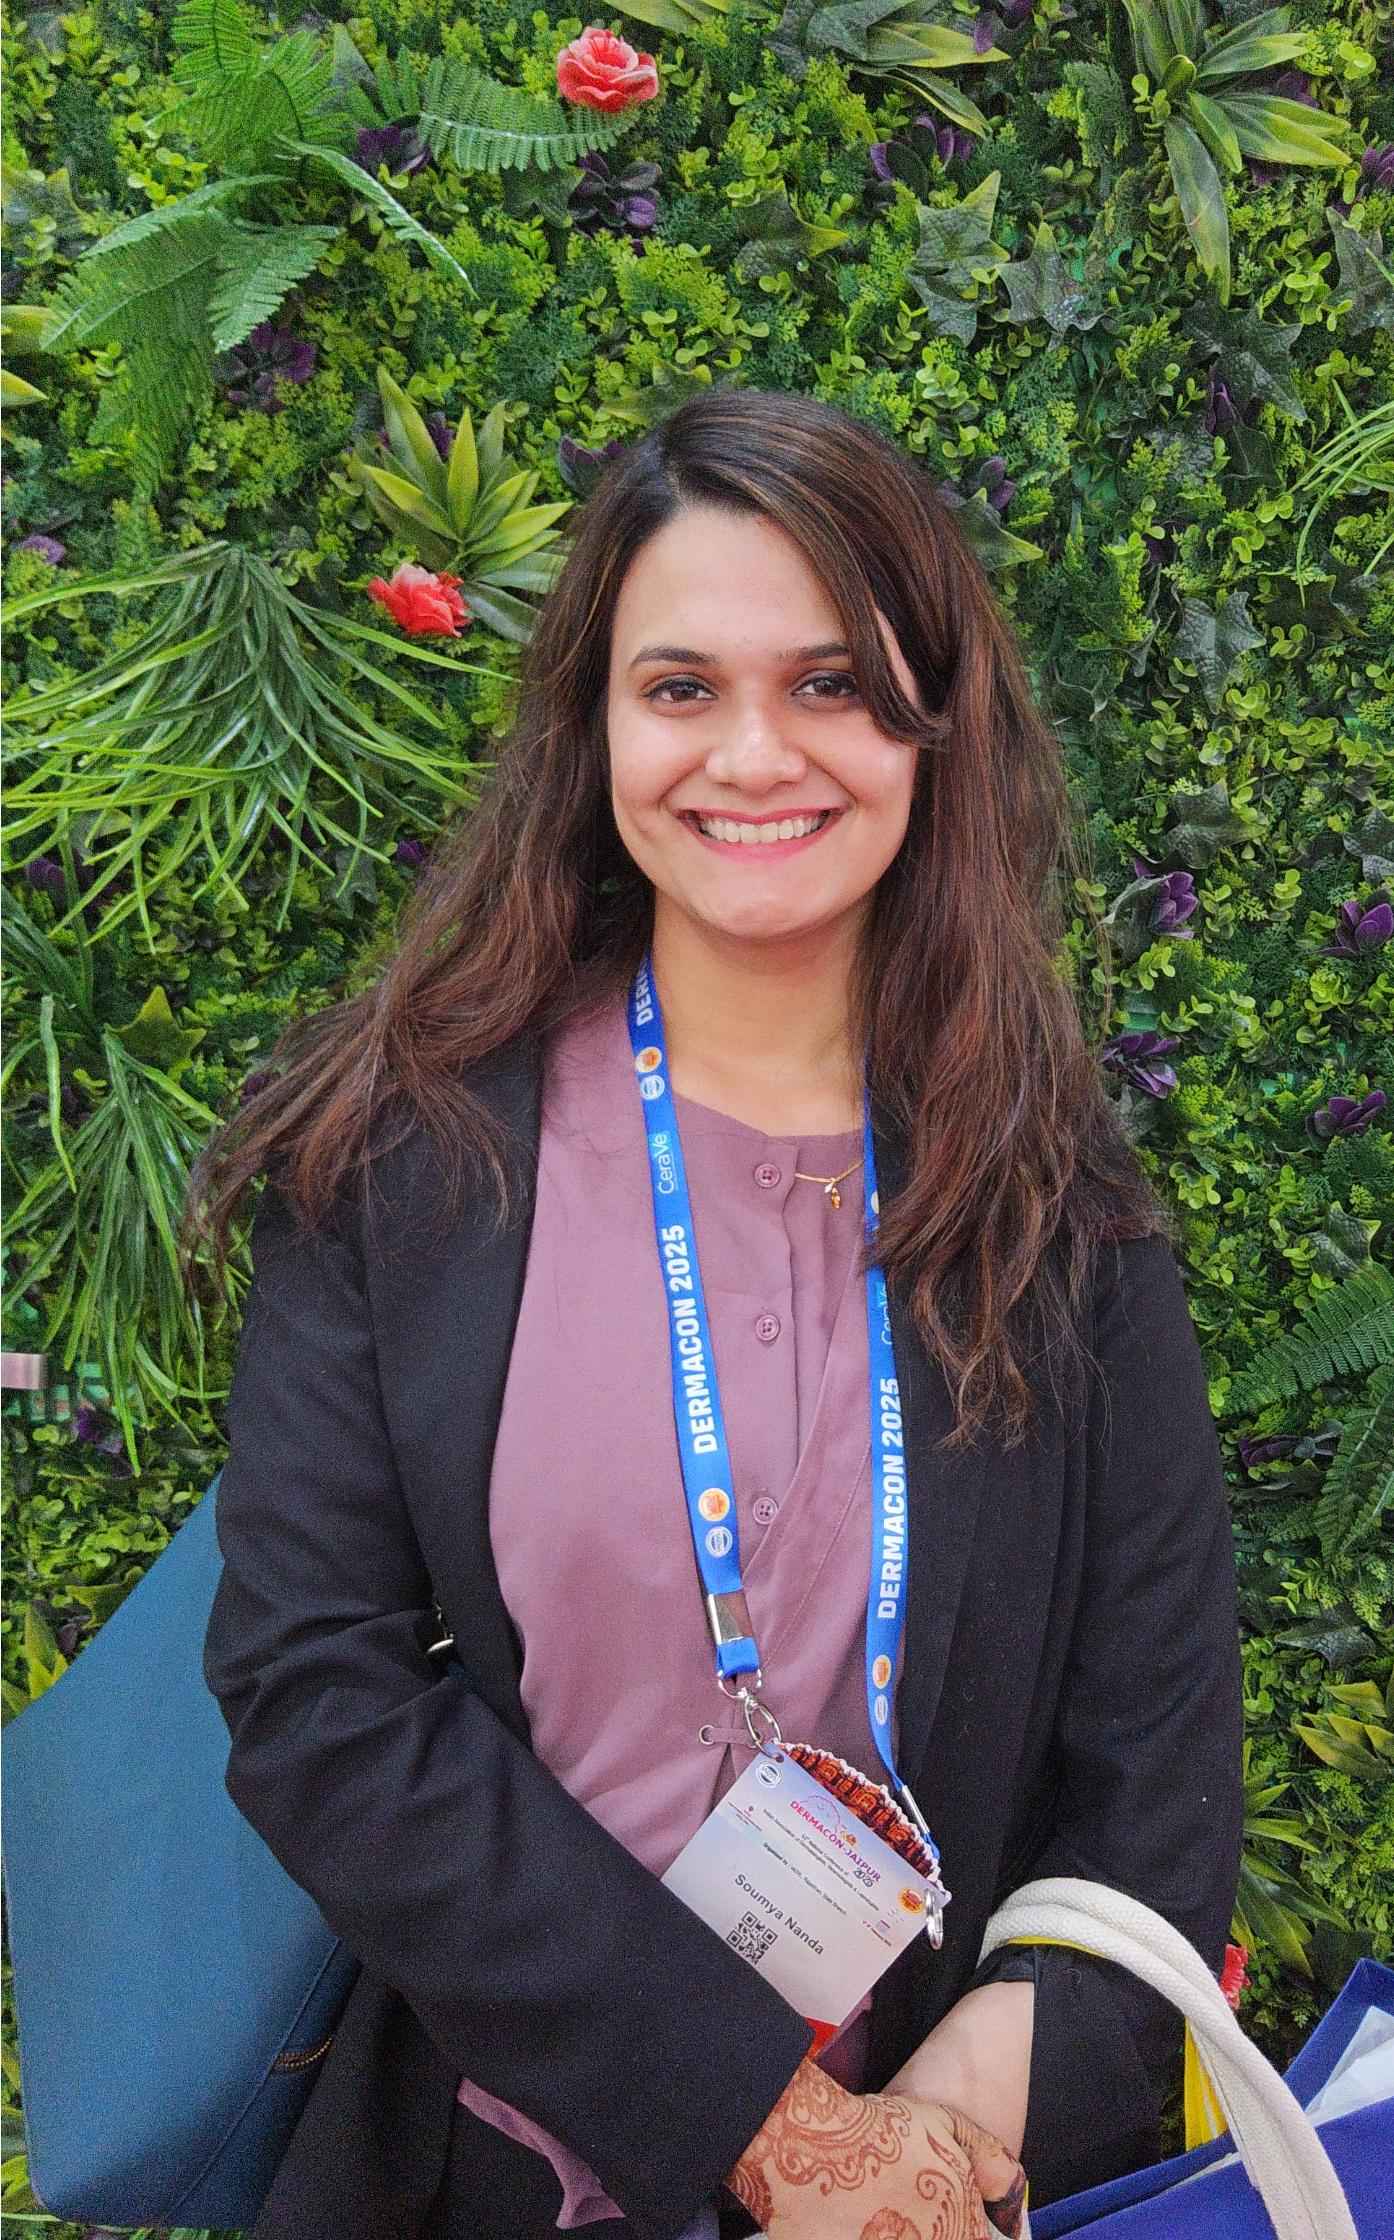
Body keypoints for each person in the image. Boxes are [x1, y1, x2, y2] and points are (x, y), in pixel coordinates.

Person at [183, 383, 1244, 2240]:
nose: (755, 754)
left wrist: (943, 2120)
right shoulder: (406, 1160)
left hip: (941, 2173)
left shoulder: (1054, 1205)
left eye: (830, 684)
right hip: (489, 2175)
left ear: (931, 721)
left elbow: (1158, 1775)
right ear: (594, 726)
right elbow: (314, 1695)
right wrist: (775, 2129)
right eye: (681, 687)